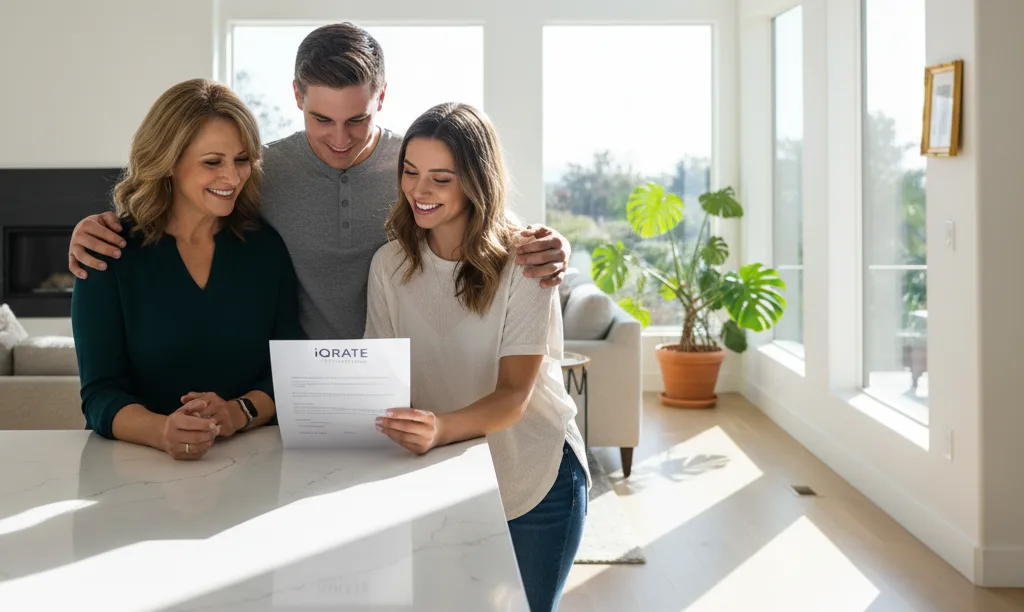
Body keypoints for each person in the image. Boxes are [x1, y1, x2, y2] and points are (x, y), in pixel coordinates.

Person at [67, 23, 571, 345]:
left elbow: (488, 219)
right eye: (320, 118)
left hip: (414, 377)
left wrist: (552, 243)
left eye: (356, 119)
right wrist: (98, 226)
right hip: (297, 385)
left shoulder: (414, 166)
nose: (338, 138)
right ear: (295, 94)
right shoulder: (258, 170)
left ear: (382, 97)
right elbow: (183, 202)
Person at [365, 102, 589, 612]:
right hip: (439, 475)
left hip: (533, 478)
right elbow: (381, 376)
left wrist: (439, 428)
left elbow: (514, 396)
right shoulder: (389, 264)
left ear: (475, 181)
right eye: (410, 172)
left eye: (441, 179)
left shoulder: (525, 261)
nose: (420, 191)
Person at [71, 79, 303, 461]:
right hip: (128, 470)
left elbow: (286, 372)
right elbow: (99, 394)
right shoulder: (108, 252)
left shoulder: (266, 249)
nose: (232, 178)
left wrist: (237, 412)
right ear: (168, 162)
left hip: (249, 465)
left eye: (241, 159)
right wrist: (162, 431)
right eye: (212, 162)